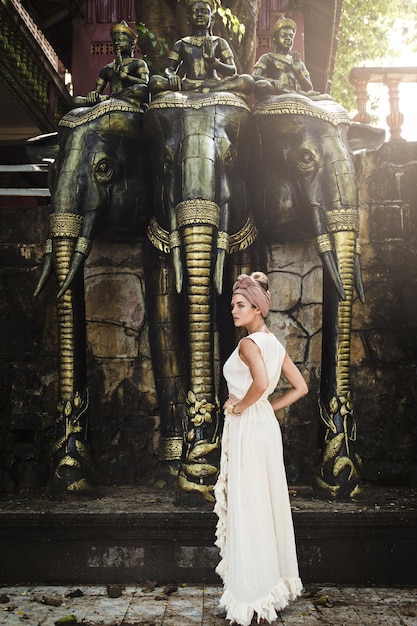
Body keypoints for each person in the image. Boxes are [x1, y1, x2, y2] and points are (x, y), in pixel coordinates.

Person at [214, 272, 308, 626]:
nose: (234, 311)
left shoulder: (249, 344)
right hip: (264, 426)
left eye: (239, 305)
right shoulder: (275, 344)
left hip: (249, 428)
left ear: (257, 307)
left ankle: (251, 596)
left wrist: (241, 407)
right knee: (265, 502)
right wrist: (267, 406)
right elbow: (299, 388)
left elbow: (262, 383)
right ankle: (269, 586)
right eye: (233, 305)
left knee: (249, 503)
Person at [149, 0, 253, 96]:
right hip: (188, 84)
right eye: (196, 11)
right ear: (188, 18)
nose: (200, 15)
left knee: (247, 81)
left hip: (214, 84)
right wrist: (171, 76)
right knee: (155, 82)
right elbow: (169, 69)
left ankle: (205, 89)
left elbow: (232, 70)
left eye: (204, 11)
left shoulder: (219, 42)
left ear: (212, 19)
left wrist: (213, 62)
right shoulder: (181, 44)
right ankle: (198, 89)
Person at [81, 21, 149, 106]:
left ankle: (116, 98)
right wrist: (93, 94)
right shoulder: (107, 69)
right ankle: (115, 98)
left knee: (141, 89)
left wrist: (126, 77)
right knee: (77, 100)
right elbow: (97, 91)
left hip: (129, 96)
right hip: (110, 98)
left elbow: (145, 83)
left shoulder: (139, 63)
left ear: (131, 44)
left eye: (121, 40)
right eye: (115, 41)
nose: (117, 43)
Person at [253, 15, 317, 100]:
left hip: (294, 92)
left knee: (326, 98)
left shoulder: (298, 62)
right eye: (284, 35)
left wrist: (299, 73)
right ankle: (293, 95)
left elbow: (309, 88)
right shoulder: (267, 58)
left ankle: (293, 94)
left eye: (291, 36)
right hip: (275, 91)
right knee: (262, 85)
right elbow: (254, 77)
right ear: (274, 40)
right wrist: (272, 81)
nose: (288, 38)